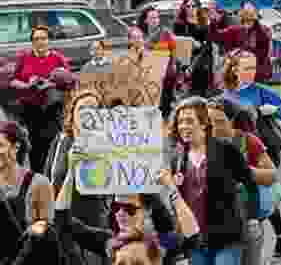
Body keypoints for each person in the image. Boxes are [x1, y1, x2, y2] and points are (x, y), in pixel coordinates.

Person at [168, 96, 276, 265]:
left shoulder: (226, 150)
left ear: (203, 123)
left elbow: (250, 182)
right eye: (180, 122)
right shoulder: (178, 158)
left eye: (189, 121)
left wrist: (253, 218)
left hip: (227, 236)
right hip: (195, 240)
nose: (183, 126)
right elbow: (179, 198)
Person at [219, 50, 281, 257]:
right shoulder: (224, 95)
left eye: (254, 67)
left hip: (262, 149)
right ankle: (247, 247)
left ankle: (280, 236)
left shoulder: (260, 91)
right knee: (241, 199)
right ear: (234, 70)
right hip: (234, 151)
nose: (252, 72)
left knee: (264, 197)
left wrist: (273, 110)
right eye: (247, 68)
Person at [52, 168, 199, 265]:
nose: (120, 214)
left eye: (129, 209)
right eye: (116, 208)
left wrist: (171, 188)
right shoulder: (111, 243)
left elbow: (192, 237)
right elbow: (62, 221)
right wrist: (71, 174)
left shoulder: (165, 243)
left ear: (147, 211)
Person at [44, 89, 110, 265]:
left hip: (91, 226)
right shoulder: (59, 141)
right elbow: (48, 178)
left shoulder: (104, 145)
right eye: (82, 110)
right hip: (59, 223)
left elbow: (101, 188)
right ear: (72, 114)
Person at [207, 102, 276, 265]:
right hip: (212, 224)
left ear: (230, 121)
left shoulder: (247, 141)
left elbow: (271, 175)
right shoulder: (202, 144)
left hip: (247, 219)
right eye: (208, 122)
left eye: (218, 121)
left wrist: (243, 171)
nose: (213, 127)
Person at [9, 25, 76, 173]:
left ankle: (48, 177)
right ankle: (37, 178)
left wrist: (50, 83)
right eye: (36, 39)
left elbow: (70, 81)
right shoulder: (24, 57)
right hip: (30, 109)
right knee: (33, 148)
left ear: (48, 40)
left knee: (50, 145)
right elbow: (13, 81)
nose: (40, 42)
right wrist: (27, 85)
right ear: (32, 42)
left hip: (52, 109)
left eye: (43, 38)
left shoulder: (57, 58)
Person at [0, 120, 54, 262]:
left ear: (16, 147)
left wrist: (37, 227)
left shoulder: (39, 183)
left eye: (0, 145)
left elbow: (45, 228)